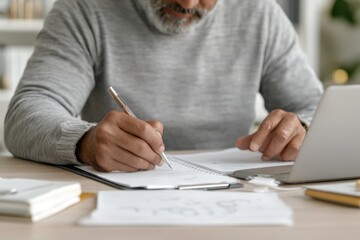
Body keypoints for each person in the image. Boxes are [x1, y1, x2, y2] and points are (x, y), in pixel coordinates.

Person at [4, 0, 323, 172]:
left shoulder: (261, 14)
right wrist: (85, 142)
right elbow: (25, 116)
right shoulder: (84, 9)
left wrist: (301, 128)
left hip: (234, 196)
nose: (187, 2)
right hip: (115, 199)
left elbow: (317, 107)